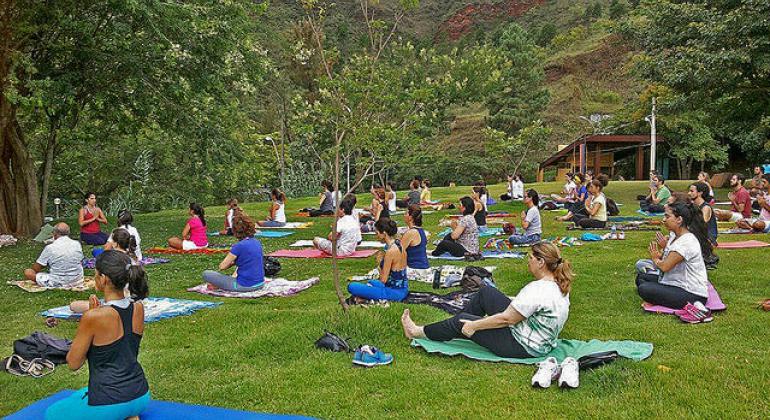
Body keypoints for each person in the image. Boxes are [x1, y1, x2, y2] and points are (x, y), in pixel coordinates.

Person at [402, 242, 573, 359]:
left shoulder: (537, 289)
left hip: (524, 346)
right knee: (486, 293)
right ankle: (457, 329)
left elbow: (507, 319)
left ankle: (417, 331)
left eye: (530, 258)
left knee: (460, 322)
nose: (528, 262)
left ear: (541, 262)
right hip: (539, 339)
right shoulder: (558, 284)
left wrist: (473, 325)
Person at [44, 250, 150, 420]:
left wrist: (90, 320)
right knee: (78, 395)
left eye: (95, 275)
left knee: (52, 413)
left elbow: (73, 363)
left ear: (104, 279)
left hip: (109, 403)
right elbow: (120, 347)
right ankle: (129, 414)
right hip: (141, 396)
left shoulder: (94, 317)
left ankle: (117, 413)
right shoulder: (138, 307)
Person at [635, 203, 710, 310]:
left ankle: (661, 299)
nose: (664, 219)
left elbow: (665, 267)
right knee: (641, 278)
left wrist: (655, 258)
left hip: (692, 293)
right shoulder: (674, 235)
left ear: (679, 219)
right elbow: (667, 259)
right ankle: (659, 296)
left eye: (667, 216)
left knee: (644, 288)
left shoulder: (686, 241)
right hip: (674, 282)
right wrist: (663, 251)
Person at [347, 218, 409, 303]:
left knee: (352, 286)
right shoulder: (399, 244)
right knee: (372, 282)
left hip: (394, 292)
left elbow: (383, 280)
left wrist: (380, 263)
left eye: (377, 233)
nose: (376, 236)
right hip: (403, 288)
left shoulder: (390, 252)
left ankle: (365, 297)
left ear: (384, 233)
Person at [203, 212, 265, 292]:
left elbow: (222, 266)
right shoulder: (257, 242)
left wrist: (234, 262)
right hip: (260, 283)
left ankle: (218, 285)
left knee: (206, 274)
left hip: (244, 286)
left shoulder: (238, 246)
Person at [24, 223, 84, 287]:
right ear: (68, 233)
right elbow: (80, 260)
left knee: (28, 272)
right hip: (77, 281)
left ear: (54, 234)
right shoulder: (77, 244)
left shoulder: (50, 248)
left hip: (57, 282)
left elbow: (37, 268)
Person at [401, 204, 430, 274]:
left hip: (416, 268)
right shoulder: (420, 230)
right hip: (423, 266)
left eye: (406, 213)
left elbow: (398, 251)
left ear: (410, 217)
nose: (404, 215)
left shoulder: (411, 232)